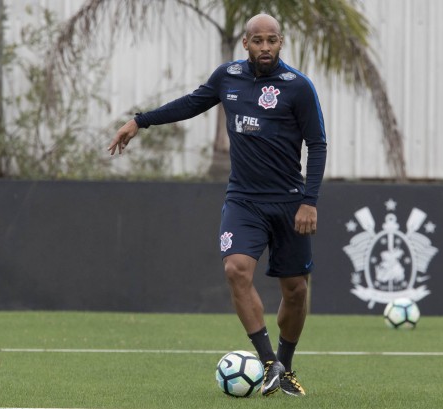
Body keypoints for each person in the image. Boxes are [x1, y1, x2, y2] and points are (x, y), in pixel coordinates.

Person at [108, 13, 327, 397]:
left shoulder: (298, 87)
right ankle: (268, 363)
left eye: (271, 40)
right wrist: (140, 122)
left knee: (295, 290)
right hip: (243, 200)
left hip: (289, 202)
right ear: (245, 43)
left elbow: (318, 144)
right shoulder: (228, 77)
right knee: (235, 269)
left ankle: (285, 366)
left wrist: (309, 201)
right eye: (257, 40)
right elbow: (191, 104)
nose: (264, 47)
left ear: (281, 42)